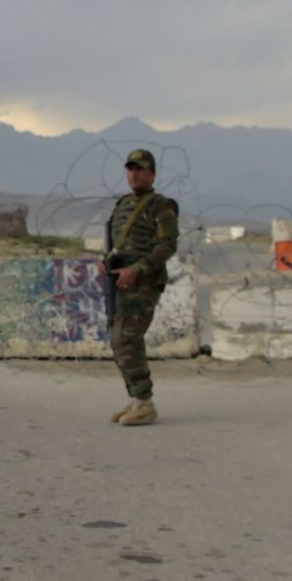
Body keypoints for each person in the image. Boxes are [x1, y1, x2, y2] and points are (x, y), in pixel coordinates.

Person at [103, 148, 179, 426]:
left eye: (140, 169)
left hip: (143, 281)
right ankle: (137, 397)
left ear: (152, 173)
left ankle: (145, 402)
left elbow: (167, 245)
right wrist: (106, 263)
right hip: (120, 279)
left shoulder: (161, 206)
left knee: (128, 337)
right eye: (130, 169)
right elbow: (117, 245)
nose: (134, 174)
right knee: (117, 338)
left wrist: (137, 269)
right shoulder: (123, 204)